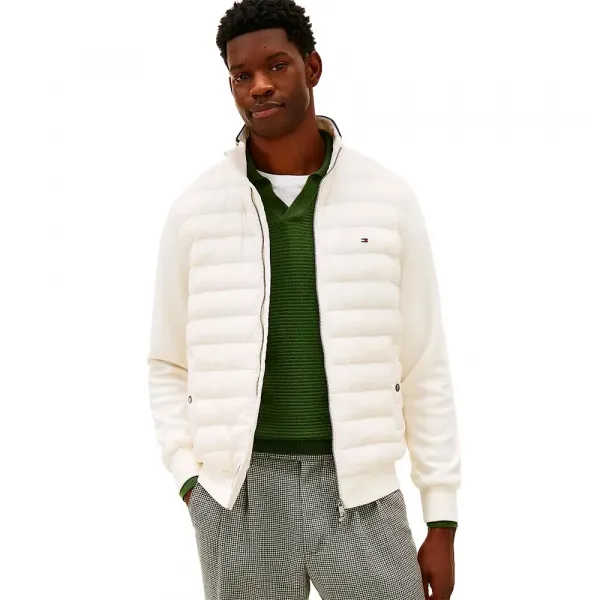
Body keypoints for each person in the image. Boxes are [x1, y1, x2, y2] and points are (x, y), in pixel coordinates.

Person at [147, 0, 461, 598]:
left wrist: (441, 518)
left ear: (312, 67)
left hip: (362, 491)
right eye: (242, 75)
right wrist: (192, 481)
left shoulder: (386, 199)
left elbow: (424, 362)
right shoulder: (196, 211)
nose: (259, 86)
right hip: (239, 497)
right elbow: (166, 361)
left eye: (277, 65)